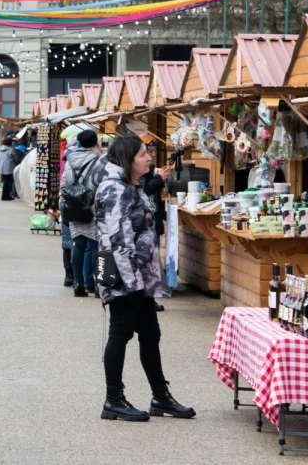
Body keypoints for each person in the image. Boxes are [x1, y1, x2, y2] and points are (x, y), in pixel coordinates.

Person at [96, 135, 195, 422]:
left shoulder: (131, 186)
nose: (149, 158)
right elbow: (117, 239)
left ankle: (160, 397)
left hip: (140, 276)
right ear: (128, 159)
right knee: (120, 335)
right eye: (143, 154)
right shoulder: (116, 190)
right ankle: (113, 400)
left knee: (151, 336)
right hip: (127, 278)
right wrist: (132, 283)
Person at [63, 129, 101, 298]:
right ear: (95, 143)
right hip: (92, 207)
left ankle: (78, 284)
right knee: (95, 246)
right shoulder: (98, 161)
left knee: (78, 244)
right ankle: (98, 285)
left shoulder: (69, 160)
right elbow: (100, 184)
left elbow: (64, 184)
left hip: (74, 207)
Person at [139, 141, 173, 310]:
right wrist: (159, 178)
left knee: (150, 260)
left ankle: (150, 299)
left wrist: (159, 178)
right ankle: (148, 299)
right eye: (147, 152)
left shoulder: (145, 171)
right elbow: (144, 192)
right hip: (146, 221)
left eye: (151, 152)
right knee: (148, 261)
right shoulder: (137, 173)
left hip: (151, 219)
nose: (150, 156)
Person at [0, 134, 21, 202]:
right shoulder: (11, 149)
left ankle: (5, 195)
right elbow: (16, 159)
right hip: (10, 168)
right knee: (8, 182)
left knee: (5, 182)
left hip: (1, 167)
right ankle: (6, 196)